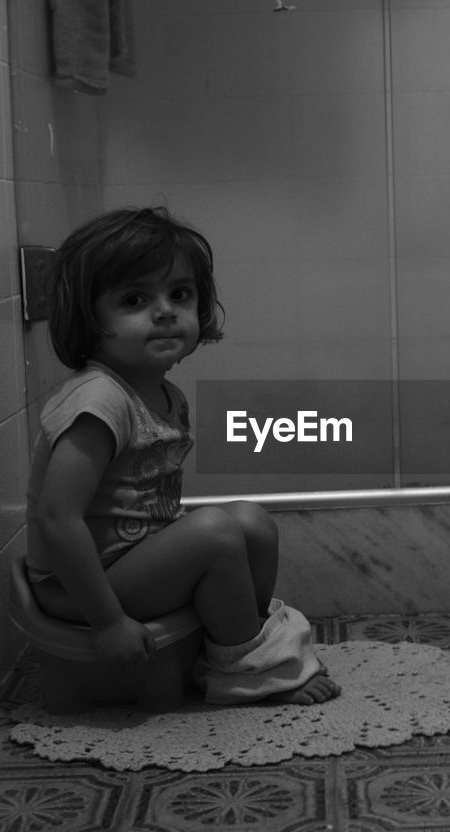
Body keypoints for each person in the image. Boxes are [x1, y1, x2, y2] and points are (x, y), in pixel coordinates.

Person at [25, 206, 340, 706]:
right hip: (78, 586)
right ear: (89, 318)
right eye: (134, 299)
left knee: (252, 523)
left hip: (124, 562)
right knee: (214, 533)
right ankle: (249, 672)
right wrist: (107, 621)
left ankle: (236, 646)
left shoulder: (160, 391)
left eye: (180, 294)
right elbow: (56, 518)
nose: (166, 310)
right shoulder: (99, 401)